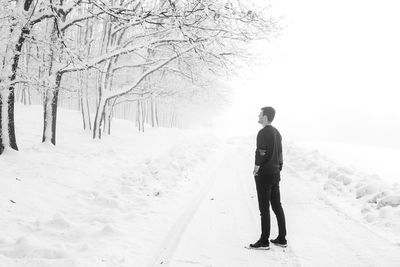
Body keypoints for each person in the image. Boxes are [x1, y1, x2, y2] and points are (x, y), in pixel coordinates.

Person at [249, 106, 287, 250]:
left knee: (264, 208)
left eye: (260, 114)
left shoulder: (263, 132)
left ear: (265, 117)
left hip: (264, 174)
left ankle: (264, 241)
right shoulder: (277, 132)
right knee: (277, 206)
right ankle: (282, 238)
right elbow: (280, 153)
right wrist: (279, 167)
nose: (258, 117)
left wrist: (256, 168)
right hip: (275, 173)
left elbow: (261, 151)